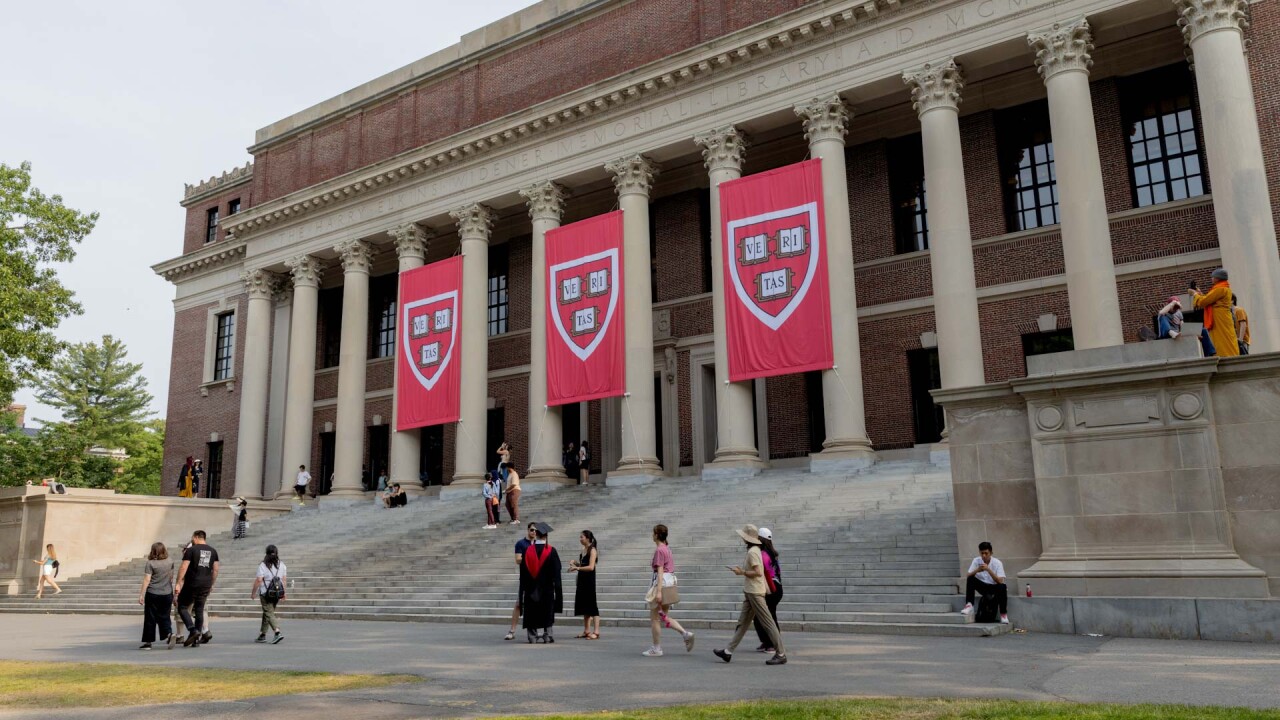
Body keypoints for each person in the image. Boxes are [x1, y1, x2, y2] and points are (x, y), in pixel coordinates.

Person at [713, 525, 787, 665]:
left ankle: (781, 653)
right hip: (750, 591)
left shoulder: (753, 552)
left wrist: (741, 572)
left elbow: (758, 572)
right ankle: (728, 652)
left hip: (755, 592)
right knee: (743, 623)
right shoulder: (756, 550)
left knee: (768, 622)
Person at [644, 524, 694, 657]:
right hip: (669, 582)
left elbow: (660, 570)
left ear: (657, 535)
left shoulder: (660, 550)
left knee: (655, 618)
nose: (652, 535)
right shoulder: (667, 548)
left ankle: (657, 648)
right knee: (663, 616)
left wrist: (658, 591)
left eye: (653, 533)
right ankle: (685, 634)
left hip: (661, 584)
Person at [174, 530, 219, 647]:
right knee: (199, 609)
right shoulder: (213, 551)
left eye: (192, 538)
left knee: (182, 606)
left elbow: (184, 567)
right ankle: (196, 639)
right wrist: (212, 584)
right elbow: (216, 569)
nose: (192, 540)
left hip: (192, 583)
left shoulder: (191, 550)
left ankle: (192, 630)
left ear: (196, 537)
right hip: (206, 584)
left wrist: (178, 582)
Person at [519, 522, 563, 643]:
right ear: (546, 535)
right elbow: (557, 571)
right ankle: (547, 635)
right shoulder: (552, 551)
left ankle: (532, 636)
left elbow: (523, 572)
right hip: (547, 588)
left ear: (536, 534)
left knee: (532, 611)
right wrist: (557, 588)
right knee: (547, 610)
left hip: (531, 588)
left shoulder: (528, 551)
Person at [1192, 269, 1240, 357]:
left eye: (1213, 277)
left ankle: (1226, 356)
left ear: (1218, 278)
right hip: (1221, 318)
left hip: (1219, 319)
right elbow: (1209, 299)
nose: (1212, 278)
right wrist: (1200, 294)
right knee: (1224, 338)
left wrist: (1195, 295)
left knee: (1222, 339)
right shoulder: (1224, 288)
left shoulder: (1220, 289)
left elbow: (1204, 302)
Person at [960, 541, 1009, 624]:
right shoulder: (976, 560)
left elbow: (1000, 581)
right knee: (971, 578)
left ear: (991, 553)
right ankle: (969, 605)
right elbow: (968, 575)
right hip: (983, 587)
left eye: (986, 553)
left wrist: (988, 570)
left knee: (1003, 587)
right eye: (982, 553)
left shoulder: (997, 563)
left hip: (994, 588)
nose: (984, 556)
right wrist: (977, 570)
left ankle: (1003, 614)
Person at [137, 541, 174, 650]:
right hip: (167, 592)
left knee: (150, 617)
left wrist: (141, 594)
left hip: (153, 593)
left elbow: (147, 579)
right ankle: (169, 634)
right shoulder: (170, 561)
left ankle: (148, 642)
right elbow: (171, 577)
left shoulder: (150, 563)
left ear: (153, 551)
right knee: (165, 615)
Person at [753, 527, 784, 654]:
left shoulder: (763, 555)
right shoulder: (773, 553)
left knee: (768, 617)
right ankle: (767, 642)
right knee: (763, 616)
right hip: (777, 588)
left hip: (770, 588)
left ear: (760, 539)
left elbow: (761, 572)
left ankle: (772, 644)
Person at [505, 523, 537, 641]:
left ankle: (535, 631)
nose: (534, 532)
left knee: (536, 604)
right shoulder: (521, 543)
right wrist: (531, 555)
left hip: (537, 579)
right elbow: (518, 560)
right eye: (532, 530)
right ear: (528, 530)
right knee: (519, 603)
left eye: (536, 531)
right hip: (525, 578)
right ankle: (512, 630)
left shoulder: (539, 544)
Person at [251, 544, 287, 644]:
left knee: (268, 612)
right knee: (267, 612)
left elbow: (259, 580)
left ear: (266, 553)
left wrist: (253, 592)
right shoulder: (282, 565)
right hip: (277, 593)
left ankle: (277, 632)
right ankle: (262, 634)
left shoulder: (263, 565)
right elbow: (284, 579)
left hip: (265, 593)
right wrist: (284, 593)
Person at [569, 529, 600, 639]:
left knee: (592, 606)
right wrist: (575, 563)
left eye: (582, 537)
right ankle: (587, 630)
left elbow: (591, 567)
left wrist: (577, 567)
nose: (580, 539)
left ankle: (596, 631)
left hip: (589, 581)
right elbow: (583, 564)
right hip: (582, 580)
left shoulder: (593, 550)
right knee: (585, 606)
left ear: (587, 538)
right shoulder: (584, 549)